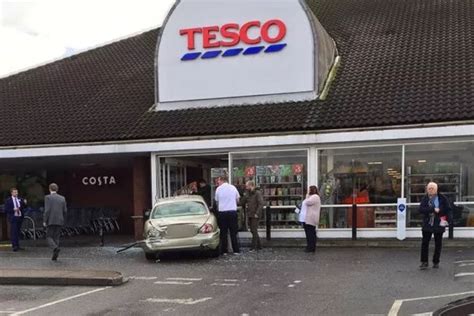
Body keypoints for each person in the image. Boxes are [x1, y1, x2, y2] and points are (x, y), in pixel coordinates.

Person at [419, 182, 452, 270]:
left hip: (439, 223)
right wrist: (432, 209)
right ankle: (424, 262)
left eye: (433, 188)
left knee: (438, 244)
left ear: (436, 189)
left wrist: (447, 219)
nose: (431, 190)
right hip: (427, 224)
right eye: (429, 188)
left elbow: (448, 209)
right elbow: (421, 209)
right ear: (427, 189)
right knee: (425, 243)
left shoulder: (442, 198)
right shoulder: (425, 198)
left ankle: (436, 261)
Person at [214, 176, 240, 254]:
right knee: (233, 232)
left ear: (221, 180)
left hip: (222, 212)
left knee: (223, 232)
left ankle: (224, 250)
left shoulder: (218, 189)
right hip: (232, 212)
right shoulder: (233, 188)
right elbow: (238, 200)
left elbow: (217, 201)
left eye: (218, 181)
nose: (218, 182)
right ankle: (236, 250)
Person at [43, 183, 67, 261]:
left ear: (49, 189)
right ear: (57, 189)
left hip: (51, 220)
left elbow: (47, 210)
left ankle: (55, 248)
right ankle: (55, 254)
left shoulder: (47, 197)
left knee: (49, 236)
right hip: (60, 219)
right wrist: (63, 218)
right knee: (56, 237)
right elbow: (65, 210)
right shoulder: (62, 198)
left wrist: (44, 220)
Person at [241, 180, 264, 251]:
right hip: (250, 214)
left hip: (255, 214)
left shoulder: (257, 193)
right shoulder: (248, 193)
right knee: (253, 230)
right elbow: (242, 202)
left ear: (251, 186)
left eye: (247, 186)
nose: (246, 187)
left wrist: (257, 213)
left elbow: (261, 204)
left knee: (253, 230)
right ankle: (259, 246)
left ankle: (253, 247)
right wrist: (245, 195)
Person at [302, 185, 321, 253]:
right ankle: (311, 247)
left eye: (309, 190)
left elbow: (307, 202)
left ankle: (310, 247)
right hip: (310, 217)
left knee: (310, 234)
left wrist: (307, 195)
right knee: (311, 233)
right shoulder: (314, 197)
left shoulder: (315, 197)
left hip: (311, 218)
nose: (308, 191)